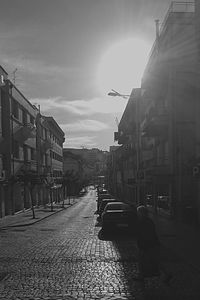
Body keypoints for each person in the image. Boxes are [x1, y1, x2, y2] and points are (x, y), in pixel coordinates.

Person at [135, 205, 172, 284]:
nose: (137, 214)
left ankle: (167, 274)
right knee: (154, 261)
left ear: (142, 213)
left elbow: (145, 235)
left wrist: (142, 244)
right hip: (151, 245)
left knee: (143, 260)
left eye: (138, 212)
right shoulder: (149, 221)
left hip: (148, 245)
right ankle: (166, 274)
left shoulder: (144, 222)